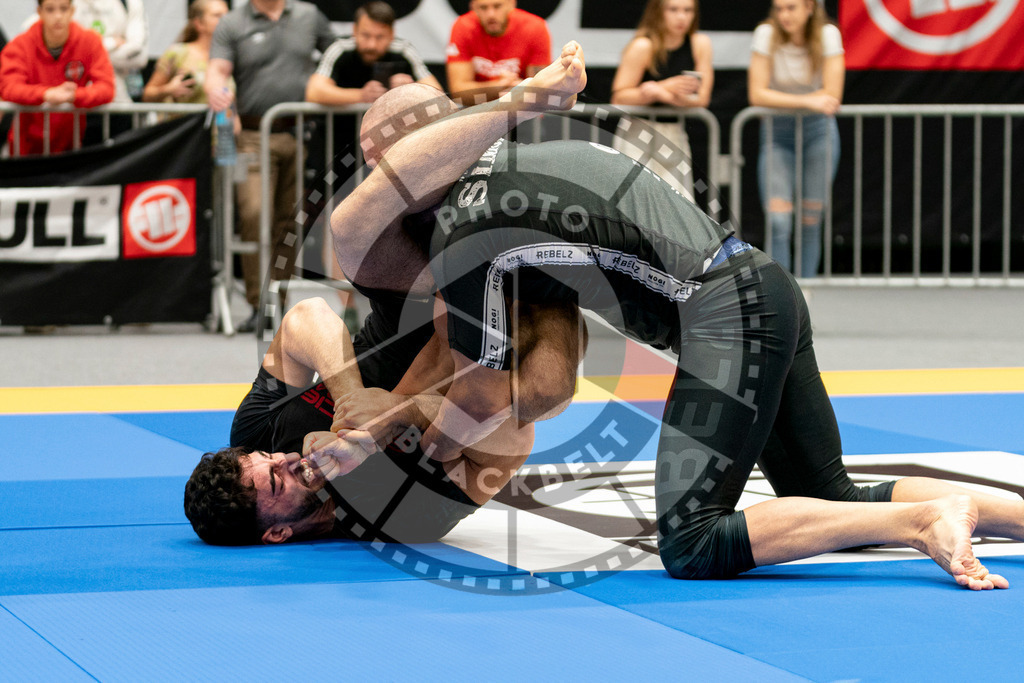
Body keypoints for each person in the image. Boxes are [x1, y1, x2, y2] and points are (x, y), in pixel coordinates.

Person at [330, 42, 1014, 590]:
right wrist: (395, 416)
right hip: (763, 287)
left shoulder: (465, 231)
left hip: (726, 316)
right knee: (827, 492)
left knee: (692, 539)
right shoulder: (526, 164)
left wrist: (406, 447)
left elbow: (483, 398)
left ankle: (927, 519)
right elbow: (543, 380)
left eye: (377, 167)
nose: (376, 188)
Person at [183, 291, 584, 545]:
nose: (283, 459)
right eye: (276, 480)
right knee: (543, 392)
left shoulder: (258, 433)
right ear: (277, 532)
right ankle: (552, 286)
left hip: (403, 309)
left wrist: (351, 406)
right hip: (482, 351)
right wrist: (394, 416)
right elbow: (515, 439)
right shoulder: (400, 522)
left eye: (267, 458)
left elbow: (305, 318)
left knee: (354, 231)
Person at [204, 0, 336, 333]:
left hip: (299, 135)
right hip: (250, 135)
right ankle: (257, 303)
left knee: (288, 222)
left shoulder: (308, 16)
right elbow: (217, 71)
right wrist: (218, 94)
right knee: (253, 213)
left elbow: (337, 56)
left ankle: (278, 298)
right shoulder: (233, 23)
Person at [748, 0, 844, 278]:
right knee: (778, 222)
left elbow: (833, 94)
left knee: (810, 222)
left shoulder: (828, 34)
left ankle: (806, 294)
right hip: (777, 133)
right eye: (778, 8)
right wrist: (809, 101)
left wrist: (789, 102)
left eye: (791, 7)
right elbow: (757, 94)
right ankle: (784, 296)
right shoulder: (765, 33)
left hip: (818, 132)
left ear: (810, 7)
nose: (784, 15)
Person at [610, 0, 713, 201]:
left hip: (674, 133)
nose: (681, 17)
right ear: (658, 12)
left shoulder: (699, 44)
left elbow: (701, 98)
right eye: (673, 10)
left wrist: (663, 91)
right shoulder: (643, 45)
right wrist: (658, 90)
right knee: (636, 202)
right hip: (638, 132)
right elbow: (619, 96)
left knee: (677, 202)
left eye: (688, 10)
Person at [0, 0, 115, 157]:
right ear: (39, 12)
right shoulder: (20, 45)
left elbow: (106, 87)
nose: (58, 16)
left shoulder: (90, 42)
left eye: (63, 9)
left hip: (70, 148)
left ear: (72, 11)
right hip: (25, 149)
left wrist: (75, 96)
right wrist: (46, 94)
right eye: (50, 9)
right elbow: (9, 87)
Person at [305, 1, 441, 107]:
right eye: (366, 35)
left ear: (392, 34)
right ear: (354, 31)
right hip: (339, 138)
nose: (372, 45)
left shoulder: (403, 50)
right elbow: (314, 92)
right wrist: (360, 96)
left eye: (380, 37)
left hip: (388, 140)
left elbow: (438, 93)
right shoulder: (340, 49)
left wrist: (412, 90)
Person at [445, 0, 550, 105]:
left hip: (521, 109)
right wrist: (499, 86)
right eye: (483, 8)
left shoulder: (535, 27)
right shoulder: (463, 26)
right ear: (473, 7)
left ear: (512, 4)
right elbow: (458, 93)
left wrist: (519, 89)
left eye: (497, 6)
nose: (491, 15)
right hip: (477, 111)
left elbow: (540, 90)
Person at [142, 0, 231, 106]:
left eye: (227, 15)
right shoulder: (178, 53)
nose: (225, 20)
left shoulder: (230, 54)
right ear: (199, 23)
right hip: (183, 120)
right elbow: (147, 95)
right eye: (217, 15)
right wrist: (168, 90)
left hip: (220, 121)